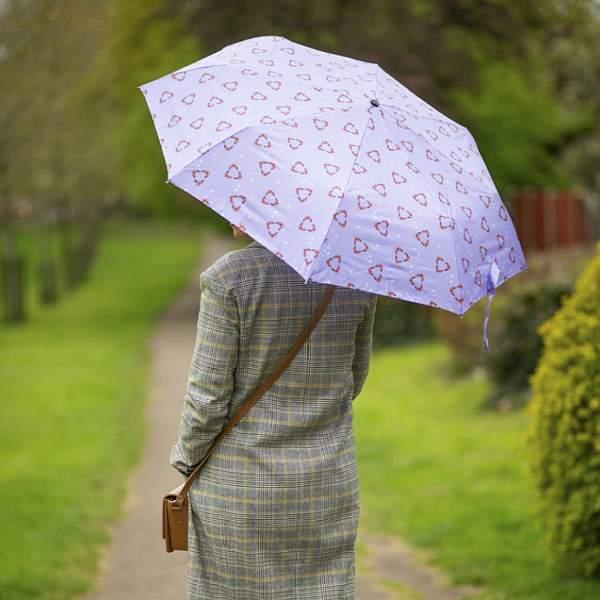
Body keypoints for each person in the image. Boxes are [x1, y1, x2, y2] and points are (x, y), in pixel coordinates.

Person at [170, 222, 378, 599]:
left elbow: (207, 402)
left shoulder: (228, 279)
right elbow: (354, 379)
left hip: (240, 487)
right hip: (326, 486)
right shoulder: (352, 278)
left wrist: (186, 461)